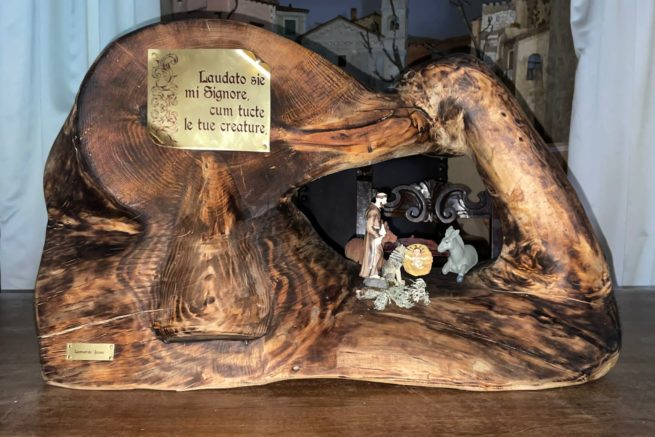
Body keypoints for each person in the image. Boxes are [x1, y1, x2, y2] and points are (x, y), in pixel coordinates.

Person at [359, 192, 387, 278]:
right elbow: (369, 227)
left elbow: (376, 223)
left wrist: (382, 227)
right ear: (379, 199)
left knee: (377, 254)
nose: (386, 202)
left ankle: (373, 273)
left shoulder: (376, 209)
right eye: (385, 200)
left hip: (375, 235)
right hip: (373, 237)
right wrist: (377, 237)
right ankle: (372, 273)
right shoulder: (373, 211)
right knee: (376, 254)